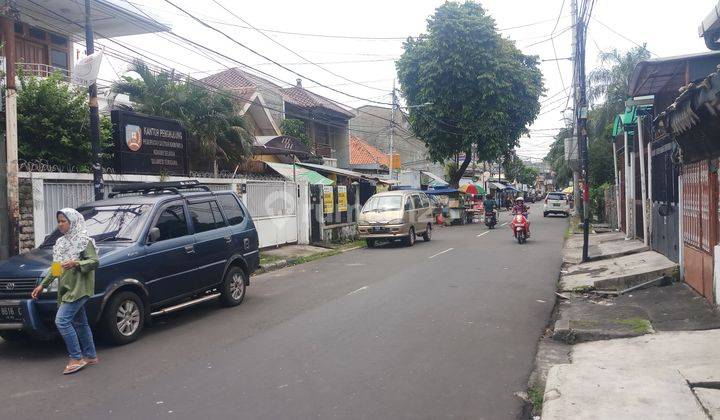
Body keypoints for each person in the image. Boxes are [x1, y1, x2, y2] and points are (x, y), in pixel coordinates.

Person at [31, 208, 99, 375]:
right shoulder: (60, 243)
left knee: (61, 321)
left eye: (63, 221)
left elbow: (94, 262)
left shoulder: (84, 241)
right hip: (66, 288)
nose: (60, 224)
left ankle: (76, 358)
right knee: (80, 323)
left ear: (73, 222)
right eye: (59, 221)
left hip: (79, 288)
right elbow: (56, 268)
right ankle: (90, 355)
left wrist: (76, 263)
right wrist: (43, 285)